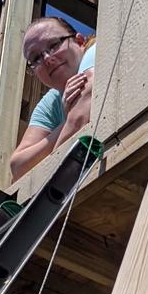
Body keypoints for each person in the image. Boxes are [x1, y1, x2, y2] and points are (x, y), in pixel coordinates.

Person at [9, 16, 96, 181]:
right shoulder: (52, 101)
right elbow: (18, 166)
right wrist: (64, 123)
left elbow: (79, 121)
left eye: (54, 45)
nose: (47, 58)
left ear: (79, 41)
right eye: (35, 58)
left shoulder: (94, 53)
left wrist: (72, 117)